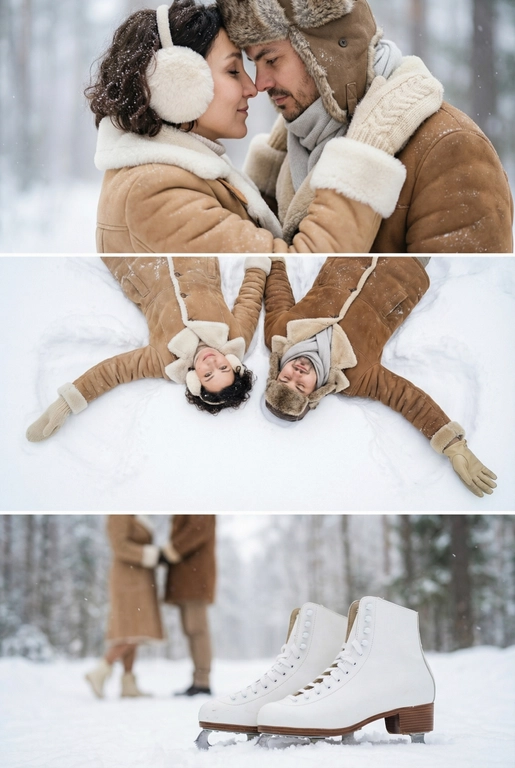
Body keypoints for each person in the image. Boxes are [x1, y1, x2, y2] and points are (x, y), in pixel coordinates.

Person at [86, 0, 445, 253]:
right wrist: (368, 144)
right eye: (233, 70)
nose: (253, 86)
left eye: (267, 62)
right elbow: (297, 276)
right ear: (179, 85)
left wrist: (274, 165)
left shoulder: (163, 176)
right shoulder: (154, 193)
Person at [218, 0, 514, 252]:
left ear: (325, 53)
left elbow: (460, 293)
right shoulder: (290, 152)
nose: (260, 83)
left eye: (271, 60)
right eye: (254, 64)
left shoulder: (451, 148)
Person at [263, 257, 497, 499]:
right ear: (314, 393)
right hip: (402, 274)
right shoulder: (356, 376)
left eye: (285, 379)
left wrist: (275, 260)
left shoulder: (279, 333)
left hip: (351, 252)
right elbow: (406, 398)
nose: (296, 374)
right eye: (300, 386)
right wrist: (453, 445)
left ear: (276, 375)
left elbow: (277, 294)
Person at [25, 256, 269, 441]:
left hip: (137, 263)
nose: (211, 362)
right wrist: (259, 262)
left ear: (195, 381)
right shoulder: (236, 337)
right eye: (223, 368)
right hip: (191, 249)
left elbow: (115, 371)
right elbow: (250, 298)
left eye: (208, 374)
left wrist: (66, 404)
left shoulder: (164, 361)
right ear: (232, 363)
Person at [85, 515, 164, 699]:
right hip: (127, 580)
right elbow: (119, 546)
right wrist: (152, 554)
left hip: (140, 578)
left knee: (134, 631)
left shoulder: (137, 514)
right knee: (131, 632)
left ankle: (128, 683)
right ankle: (99, 672)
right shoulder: (119, 512)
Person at [161, 515, 216, 696]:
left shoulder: (200, 505)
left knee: (197, 630)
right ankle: (198, 680)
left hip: (195, 577)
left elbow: (197, 530)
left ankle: (203, 681)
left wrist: (170, 551)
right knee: (191, 630)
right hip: (187, 578)